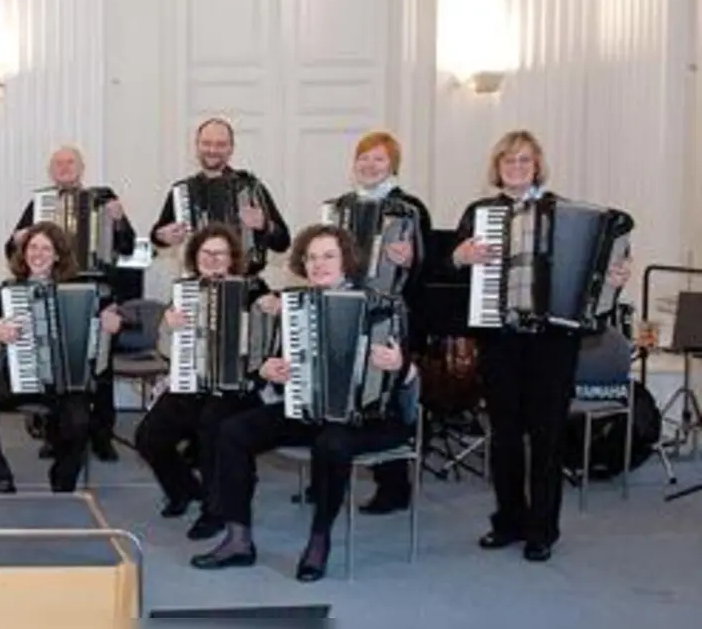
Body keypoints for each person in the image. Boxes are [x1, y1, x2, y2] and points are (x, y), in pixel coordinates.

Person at [191, 224, 411, 582]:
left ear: (346, 261)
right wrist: (269, 369)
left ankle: (319, 540)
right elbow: (275, 361)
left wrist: (400, 365)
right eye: (311, 257)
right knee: (233, 430)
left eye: (328, 256)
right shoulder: (295, 304)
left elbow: (409, 373)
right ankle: (238, 539)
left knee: (331, 443)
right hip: (307, 408)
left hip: (371, 417)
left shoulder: (384, 305)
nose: (318, 264)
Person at [452, 130, 631, 562]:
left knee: (547, 438)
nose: (516, 167)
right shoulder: (481, 213)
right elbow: (451, 269)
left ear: (537, 166)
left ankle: (543, 529)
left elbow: (601, 271)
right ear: (497, 167)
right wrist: (462, 256)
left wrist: (612, 279)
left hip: (554, 341)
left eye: (525, 161)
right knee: (506, 438)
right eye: (509, 160)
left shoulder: (566, 212)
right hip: (501, 338)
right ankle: (508, 520)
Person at [129, 225, 273, 539]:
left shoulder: (254, 289)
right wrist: (168, 328)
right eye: (205, 253)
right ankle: (184, 489)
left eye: (219, 253)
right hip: (190, 382)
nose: (212, 259)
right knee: (148, 437)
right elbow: (167, 351)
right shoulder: (185, 291)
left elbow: (269, 342)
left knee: (212, 429)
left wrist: (268, 313)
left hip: (236, 387)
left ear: (232, 259)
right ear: (195, 257)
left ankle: (215, 510)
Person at [0, 223, 123, 493]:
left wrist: (112, 322)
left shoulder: (82, 290)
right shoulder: (10, 292)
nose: (38, 254)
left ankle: (63, 478)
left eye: (46, 248)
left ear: (58, 255)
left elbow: (115, 325)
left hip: (66, 381)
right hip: (19, 375)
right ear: (23, 253)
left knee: (79, 421)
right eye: (32, 247)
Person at [322, 131, 433, 515]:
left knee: (383, 397)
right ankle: (330, 474)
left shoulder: (409, 208)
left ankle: (394, 485)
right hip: (346, 311)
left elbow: (428, 266)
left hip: (391, 314)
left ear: (393, 165)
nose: (369, 165)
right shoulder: (338, 208)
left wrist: (410, 260)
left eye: (379, 160)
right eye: (363, 158)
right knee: (341, 391)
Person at [3, 145, 138, 462]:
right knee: (53, 363)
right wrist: (18, 238)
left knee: (101, 367)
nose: (64, 168)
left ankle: (102, 436)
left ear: (82, 167)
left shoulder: (103, 198)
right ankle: (55, 436)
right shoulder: (39, 203)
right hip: (53, 293)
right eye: (58, 164)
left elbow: (128, 246)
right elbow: (13, 248)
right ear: (51, 171)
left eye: (70, 163)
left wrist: (118, 222)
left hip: (97, 290)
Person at [150, 118, 289, 276]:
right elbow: (157, 236)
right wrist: (162, 236)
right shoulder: (183, 191)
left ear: (231, 149)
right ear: (197, 146)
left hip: (245, 282)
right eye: (206, 143)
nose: (213, 150)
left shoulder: (251, 188)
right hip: (197, 282)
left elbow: (283, 242)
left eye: (220, 144)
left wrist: (265, 225)